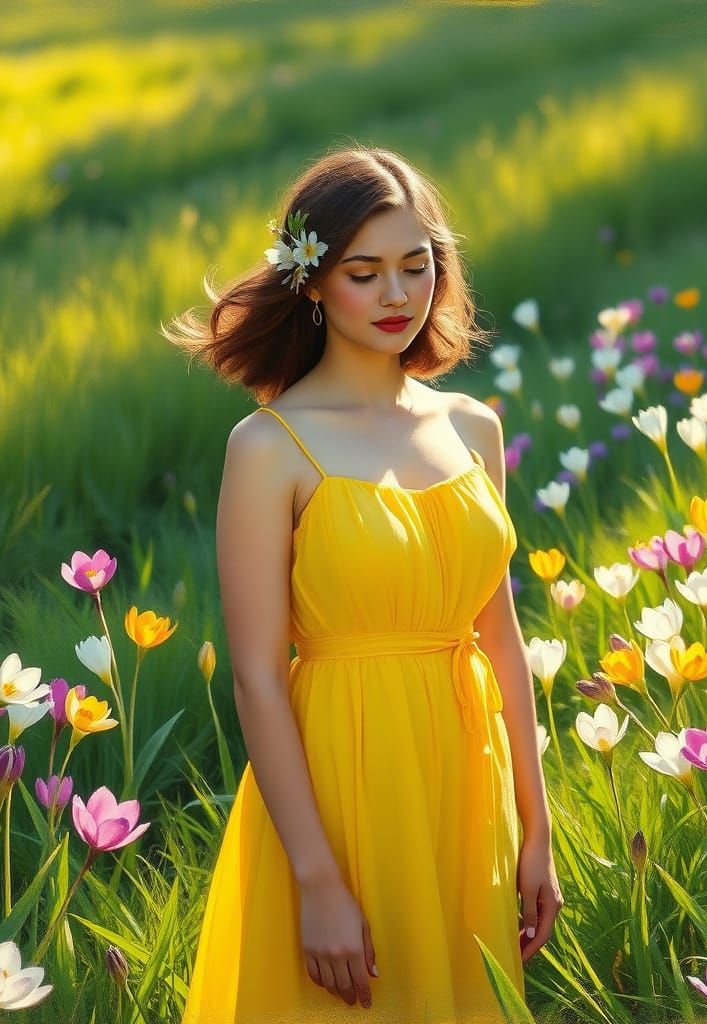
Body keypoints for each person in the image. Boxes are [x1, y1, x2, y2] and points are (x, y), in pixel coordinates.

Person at [162, 144, 563, 1024]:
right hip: (344, 780)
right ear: (310, 281)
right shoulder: (268, 449)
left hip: (465, 778)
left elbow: (501, 639)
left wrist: (537, 832)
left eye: (416, 267)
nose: (396, 296)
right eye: (364, 271)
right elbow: (259, 677)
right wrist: (316, 880)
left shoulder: (472, 427)